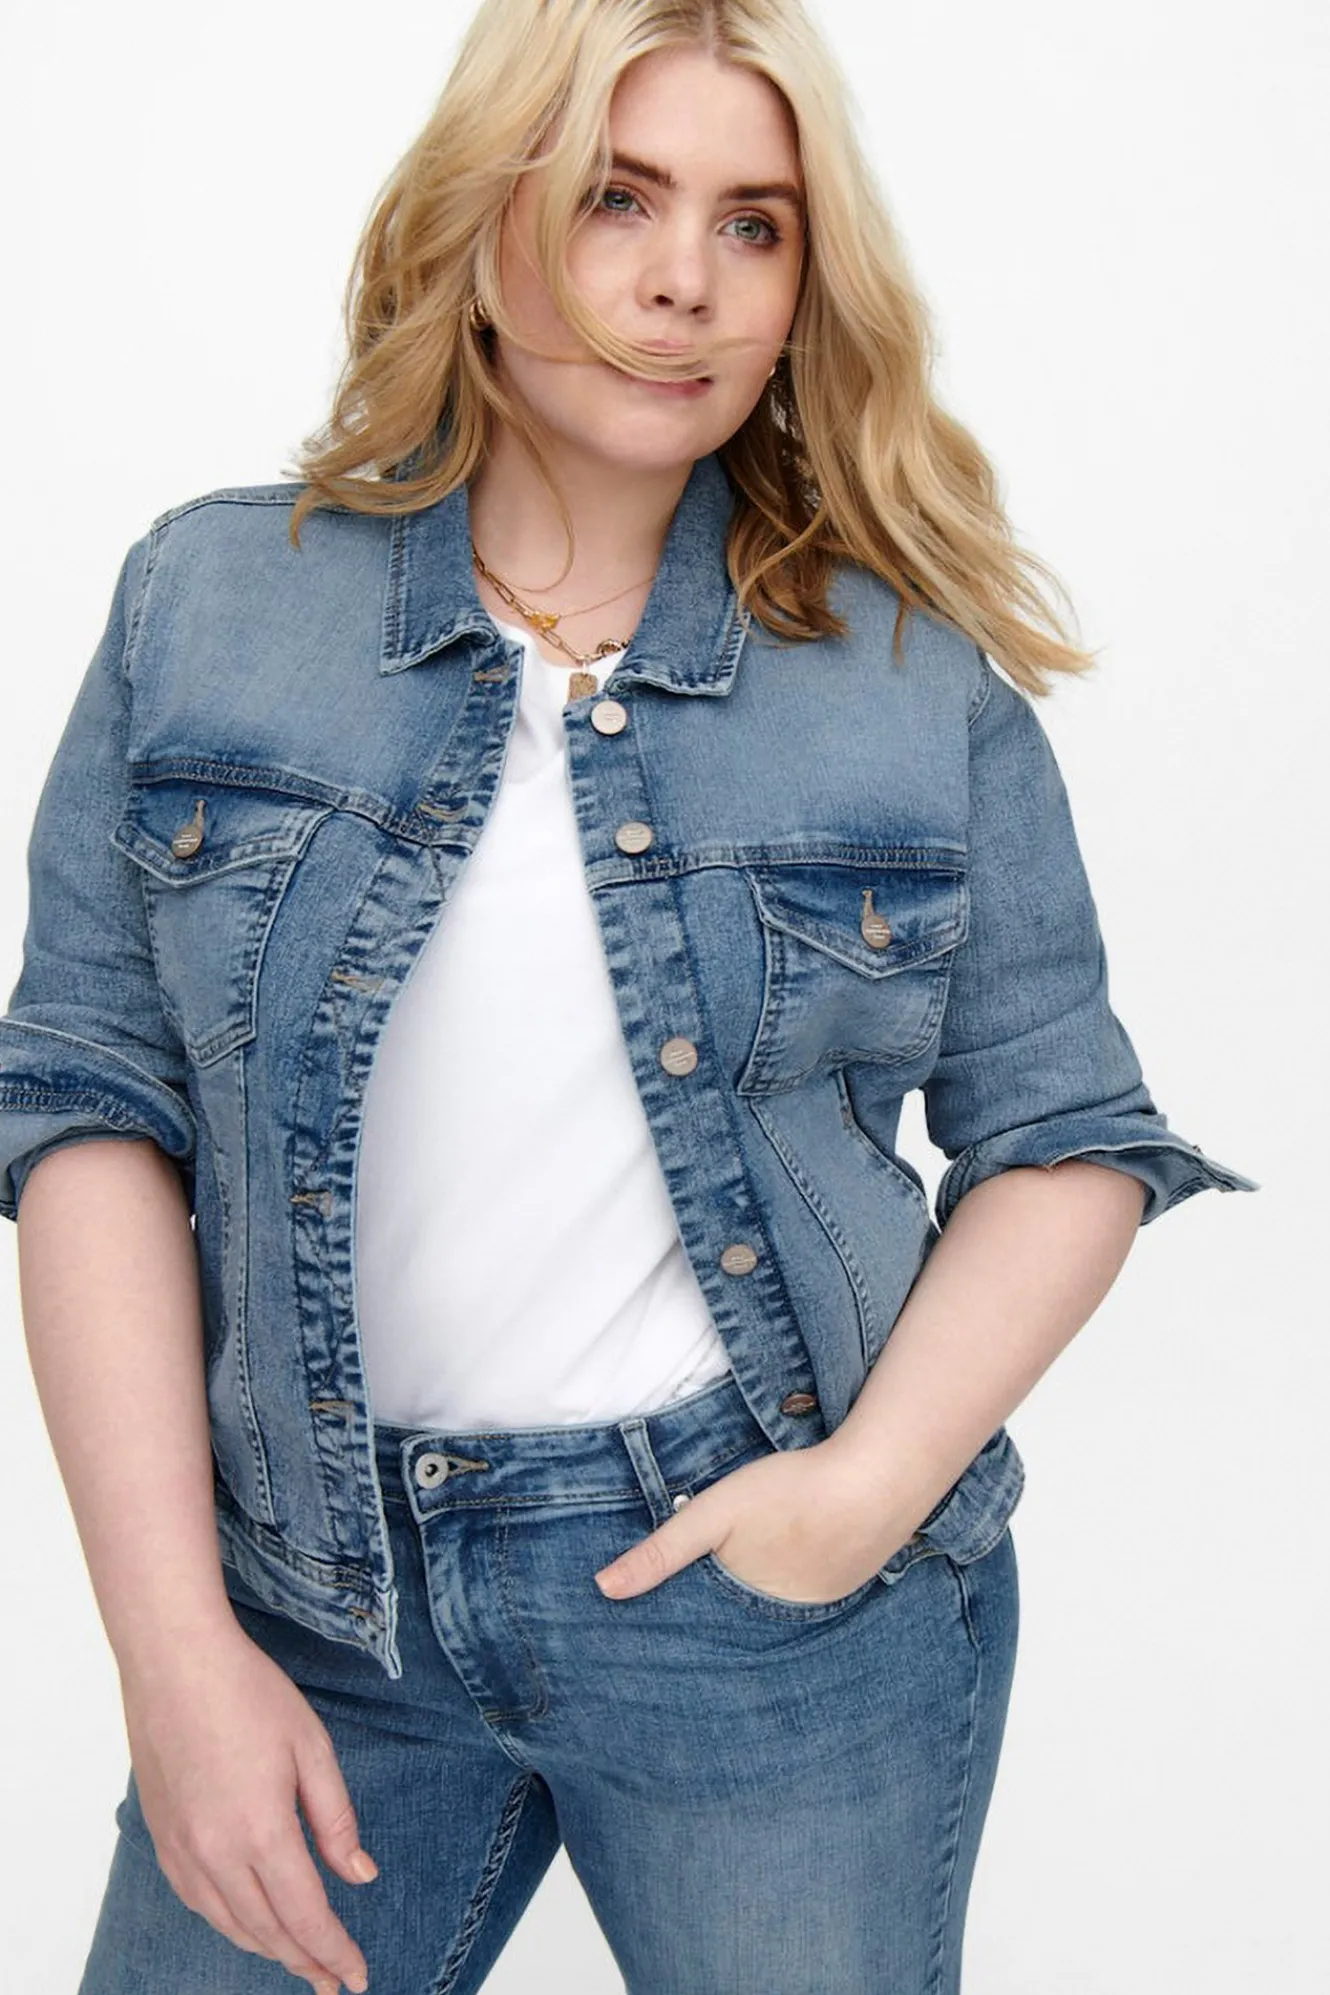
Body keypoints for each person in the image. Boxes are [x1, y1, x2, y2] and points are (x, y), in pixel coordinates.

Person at [0, 2, 1256, 1991]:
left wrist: (854, 1498)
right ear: (481, 224)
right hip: (316, 1605)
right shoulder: (212, 604)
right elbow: (87, 1108)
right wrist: (170, 1652)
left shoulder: (905, 679)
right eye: (616, 198)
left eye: (754, 225)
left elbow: (1067, 1140)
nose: (685, 279)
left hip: (759, 1605)